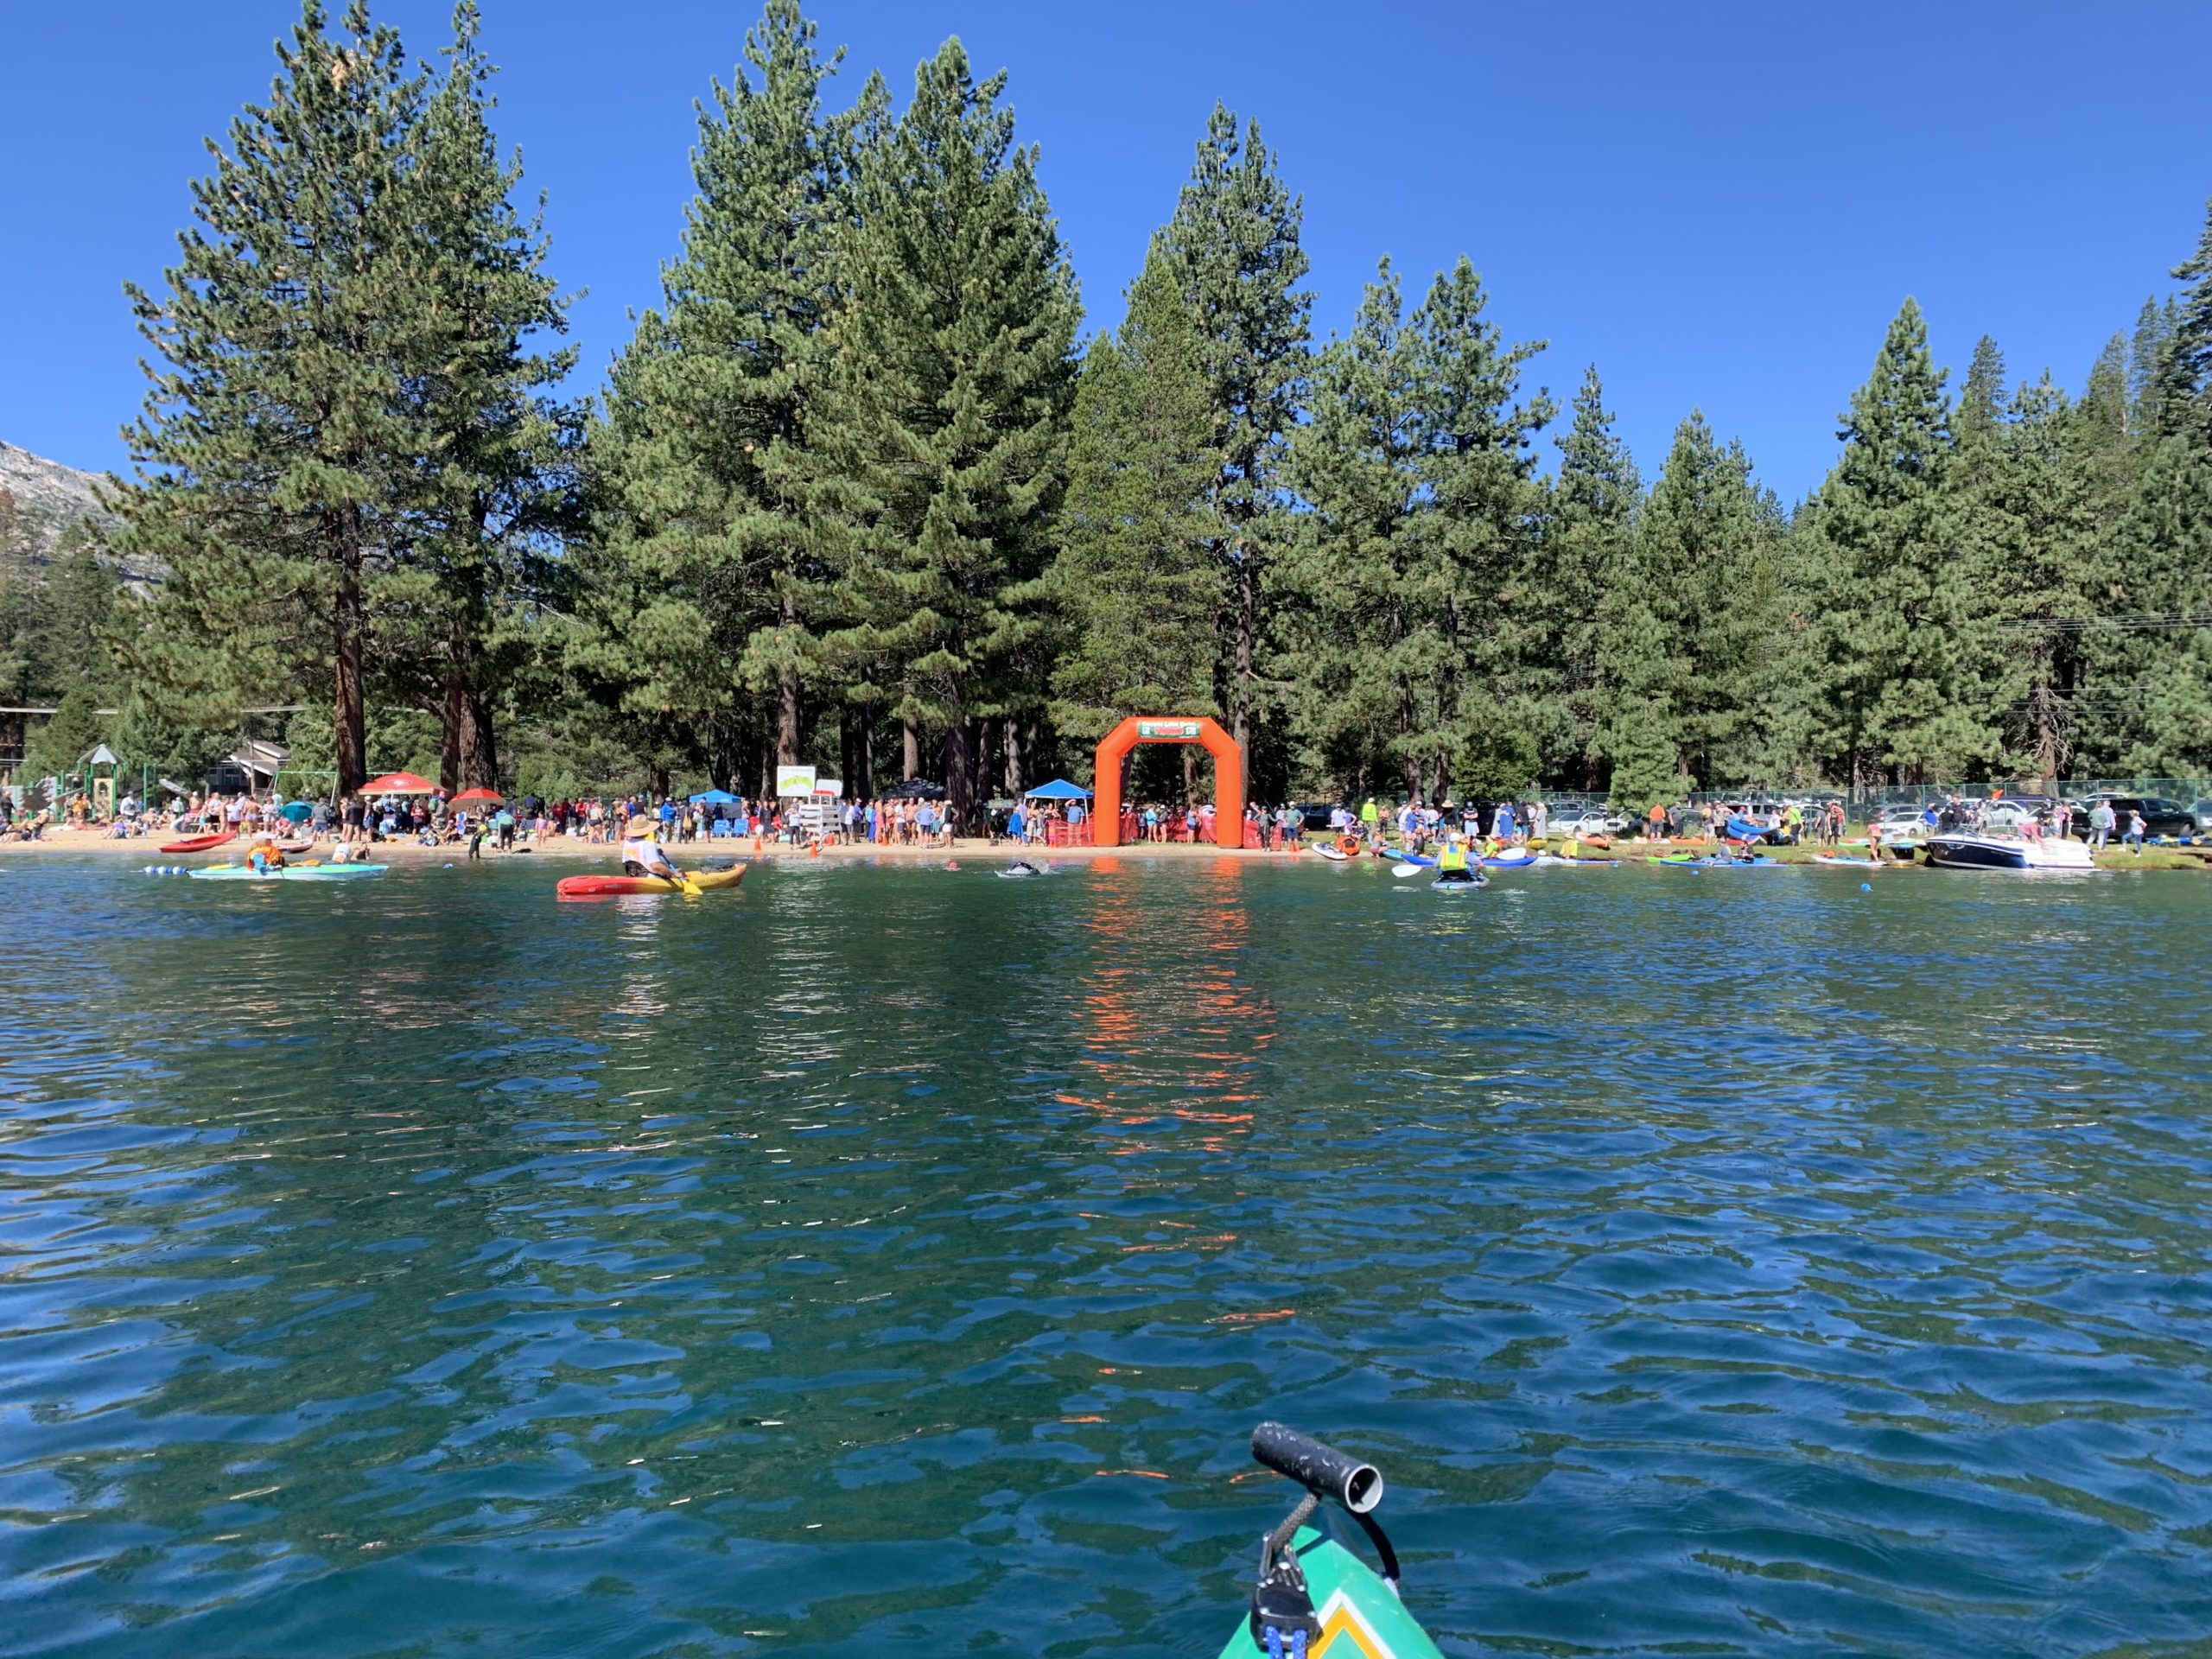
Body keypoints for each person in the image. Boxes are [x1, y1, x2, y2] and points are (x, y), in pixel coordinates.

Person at [620, 816, 685, 880]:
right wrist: (673, 873)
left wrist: (655, 852)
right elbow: (656, 866)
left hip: (631, 875)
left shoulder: (627, 843)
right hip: (650, 877)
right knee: (680, 870)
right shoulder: (649, 844)